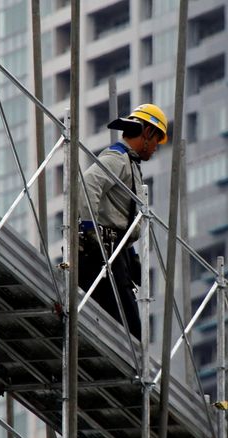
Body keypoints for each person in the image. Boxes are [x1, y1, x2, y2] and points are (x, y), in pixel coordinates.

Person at [78, 103, 168, 339]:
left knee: (120, 327)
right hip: (104, 252)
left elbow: (122, 215)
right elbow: (89, 184)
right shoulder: (117, 158)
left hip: (117, 251)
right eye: (157, 139)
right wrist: (90, 229)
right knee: (131, 331)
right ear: (147, 133)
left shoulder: (130, 163)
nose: (156, 147)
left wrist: (132, 255)